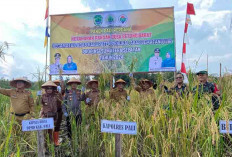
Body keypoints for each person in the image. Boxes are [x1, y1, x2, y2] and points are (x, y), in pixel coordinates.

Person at [40, 81, 62, 146]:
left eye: (50, 89)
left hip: (54, 116)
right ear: (45, 89)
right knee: (46, 131)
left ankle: (52, 143)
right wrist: (38, 97)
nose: (49, 90)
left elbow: (60, 104)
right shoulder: (43, 96)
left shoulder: (56, 96)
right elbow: (39, 104)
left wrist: (59, 94)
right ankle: (46, 144)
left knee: (52, 130)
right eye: (48, 89)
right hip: (46, 116)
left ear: (53, 89)